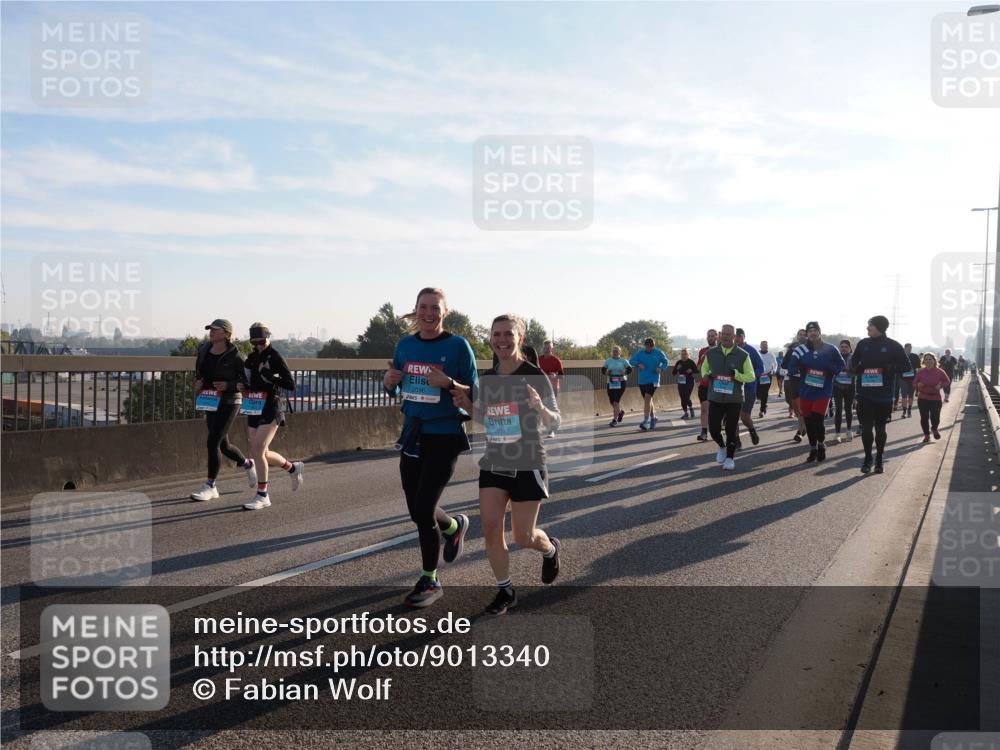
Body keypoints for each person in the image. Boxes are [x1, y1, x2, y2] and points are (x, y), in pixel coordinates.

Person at [453, 314, 561, 616]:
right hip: (495, 461)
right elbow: (487, 419)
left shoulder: (534, 374)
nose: (501, 340)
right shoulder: (487, 380)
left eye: (508, 334)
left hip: (528, 461)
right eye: (496, 334)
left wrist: (540, 407)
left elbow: (556, 421)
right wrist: (467, 405)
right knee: (490, 529)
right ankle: (506, 590)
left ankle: (550, 548)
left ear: (520, 339)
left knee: (523, 537)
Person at [384, 288, 479, 608]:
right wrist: (388, 381)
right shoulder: (405, 345)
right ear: (415, 310)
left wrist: (449, 384)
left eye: (434, 308)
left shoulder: (457, 346)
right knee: (416, 509)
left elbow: (475, 393)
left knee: (423, 509)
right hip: (413, 432)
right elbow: (396, 386)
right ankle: (453, 527)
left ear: (445, 312)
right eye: (422, 307)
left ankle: (430, 578)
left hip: (445, 433)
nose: (428, 313)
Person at [239, 323, 304, 511]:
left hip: (271, 406)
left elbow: (291, 385)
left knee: (258, 449)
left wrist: (271, 377)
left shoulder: (275, 357)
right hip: (253, 405)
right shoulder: (251, 358)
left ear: (268, 338)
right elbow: (247, 381)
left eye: (261, 341)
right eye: (254, 342)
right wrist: (242, 387)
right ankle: (292, 468)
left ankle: (263, 495)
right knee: (261, 452)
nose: (258, 345)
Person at [191, 319, 257, 502]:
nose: (210, 332)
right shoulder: (203, 350)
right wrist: (198, 383)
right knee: (223, 445)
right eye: (209, 329)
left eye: (215, 329)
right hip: (210, 399)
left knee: (212, 442)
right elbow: (200, 373)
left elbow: (247, 383)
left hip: (229, 401)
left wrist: (229, 385)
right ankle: (247, 463)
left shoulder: (236, 356)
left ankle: (210, 486)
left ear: (227, 334)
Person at [852, 315, 911, 474]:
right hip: (864, 393)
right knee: (865, 429)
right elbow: (854, 361)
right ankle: (867, 459)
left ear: (878, 327)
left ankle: (879, 459)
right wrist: (853, 368)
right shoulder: (863, 344)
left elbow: (906, 366)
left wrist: (890, 367)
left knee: (880, 429)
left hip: (883, 395)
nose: (867, 328)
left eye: (869, 325)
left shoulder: (893, 346)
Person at [786, 322, 845, 462]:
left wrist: (832, 370)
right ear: (807, 334)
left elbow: (841, 364)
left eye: (815, 330)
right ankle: (813, 448)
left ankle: (821, 444)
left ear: (819, 332)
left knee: (818, 420)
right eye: (810, 331)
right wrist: (801, 370)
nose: (812, 333)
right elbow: (791, 369)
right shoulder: (799, 350)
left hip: (823, 391)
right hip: (806, 391)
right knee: (808, 421)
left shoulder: (830, 349)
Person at [700, 324, 756, 471]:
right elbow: (704, 368)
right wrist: (706, 375)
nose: (725, 336)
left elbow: (751, 376)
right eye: (723, 334)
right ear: (720, 335)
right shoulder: (711, 353)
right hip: (715, 396)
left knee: (731, 429)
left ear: (734, 337)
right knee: (713, 428)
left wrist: (737, 375)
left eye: (728, 334)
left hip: (734, 399)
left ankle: (730, 458)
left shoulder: (743, 355)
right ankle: (721, 446)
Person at [629, 338, 670, 431]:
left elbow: (666, 361)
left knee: (647, 398)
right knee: (648, 400)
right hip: (642, 380)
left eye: (652, 346)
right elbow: (631, 361)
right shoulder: (640, 353)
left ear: (653, 345)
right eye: (648, 346)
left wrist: (661, 368)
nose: (650, 348)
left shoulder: (658, 352)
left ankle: (645, 421)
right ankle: (653, 418)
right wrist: (638, 363)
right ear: (645, 346)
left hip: (654, 379)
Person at [734, 328, 763, 446]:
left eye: (739, 336)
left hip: (749, 388)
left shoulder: (751, 351)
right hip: (734, 388)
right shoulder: (731, 350)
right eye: (735, 336)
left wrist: (749, 376)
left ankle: (752, 430)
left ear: (743, 337)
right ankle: (736, 441)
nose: (737, 338)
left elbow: (761, 368)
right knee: (733, 416)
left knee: (745, 417)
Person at [915, 353, 950, 442]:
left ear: (934, 360)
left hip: (936, 398)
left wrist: (940, 385)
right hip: (923, 398)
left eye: (930, 359)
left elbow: (947, 381)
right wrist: (918, 385)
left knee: (935, 417)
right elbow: (914, 383)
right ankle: (927, 435)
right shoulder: (920, 372)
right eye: (926, 359)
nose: (928, 361)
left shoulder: (940, 371)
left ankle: (934, 428)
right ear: (923, 361)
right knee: (924, 418)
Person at [783, 329, 808, 442]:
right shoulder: (792, 349)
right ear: (797, 337)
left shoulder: (811, 349)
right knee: (796, 407)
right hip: (793, 380)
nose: (802, 337)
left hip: (806, 381)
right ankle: (804, 427)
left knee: (802, 406)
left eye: (804, 335)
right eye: (800, 335)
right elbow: (784, 365)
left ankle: (801, 430)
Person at [696, 328, 719, 441]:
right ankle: (704, 432)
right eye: (709, 336)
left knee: (715, 411)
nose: (710, 338)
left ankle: (718, 428)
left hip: (717, 385)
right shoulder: (703, 351)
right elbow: (699, 368)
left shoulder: (720, 350)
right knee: (704, 408)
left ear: (717, 337)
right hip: (705, 384)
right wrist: (703, 358)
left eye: (712, 336)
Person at [602, 346, 632, 427]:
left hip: (621, 381)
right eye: (614, 351)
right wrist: (607, 372)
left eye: (617, 351)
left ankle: (614, 420)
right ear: (612, 352)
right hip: (611, 382)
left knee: (616, 401)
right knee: (611, 401)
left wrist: (625, 371)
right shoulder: (608, 361)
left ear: (620, 352)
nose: (615, 352)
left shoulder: (624, 361)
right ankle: (620, 412)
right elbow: (603, 370)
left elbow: (630, 369)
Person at [832, 339, 856, 442]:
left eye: (846, 347)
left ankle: (849, 431)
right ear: (839, 348)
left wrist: (848, 371)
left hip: (850, 387)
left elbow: (857, 372)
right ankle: (837, 433)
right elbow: (830, 369)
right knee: (838, 409)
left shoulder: (853, 358)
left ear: (850, 349)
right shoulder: (835, 357)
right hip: (837, 386)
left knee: (848, 409)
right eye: (842, 347)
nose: (844, 349)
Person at [897, 343, 921, 420]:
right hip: (902, 378)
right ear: (904, 348)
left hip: (912, 378)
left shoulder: (915, 356)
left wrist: (918, 378)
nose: (909, 349)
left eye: (910, 348)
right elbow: (896, 367)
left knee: (911, 395)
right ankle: (904, 411)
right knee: (904, 395)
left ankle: (909, 410)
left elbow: (918, 368)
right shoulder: (900, 356)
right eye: (908, 348)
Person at [672, 348, 698, 419]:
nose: (683, 356)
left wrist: (691, 371)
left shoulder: (691, 362)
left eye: (685, 354)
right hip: (681, 381)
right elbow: (673, 373)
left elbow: (697, 371)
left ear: (688, 355)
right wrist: (677, 368)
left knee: (687, 396)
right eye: (682, 354)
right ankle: (686, 413)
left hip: (690, 381)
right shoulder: (678, 362)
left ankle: (691, 408)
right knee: (682, 397)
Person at [757, 340, 777, 418]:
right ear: (760, 346)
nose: (765, 346)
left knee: (765, 392)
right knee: (758, 393)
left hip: (767, 376)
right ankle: (763, 404)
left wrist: (774, 371)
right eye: (763, 345)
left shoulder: (771, 354)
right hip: (758, 375)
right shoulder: (757, 354)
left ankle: (762, 410)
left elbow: (775, 364)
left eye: (766, 345)